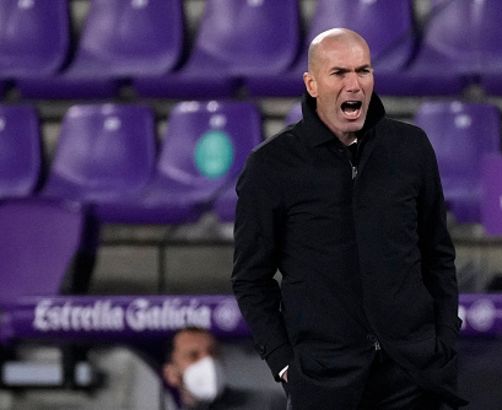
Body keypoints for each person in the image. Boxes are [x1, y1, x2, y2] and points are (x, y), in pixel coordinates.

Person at [232, 28, 466, 409]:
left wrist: (443, 340)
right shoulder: (271, 166)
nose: (354, 84)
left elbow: (438, 255)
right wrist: (284, 364)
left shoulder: (411, 148)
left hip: (415, 375)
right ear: (312, 84)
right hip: (324, 384)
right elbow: (250, 279)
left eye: (363, 70)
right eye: (339, 73)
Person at [163, 327, 286, 410]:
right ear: (171, 374)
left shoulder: (268, 404)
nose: (208, 362)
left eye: (213, 352)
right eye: (193, 356)